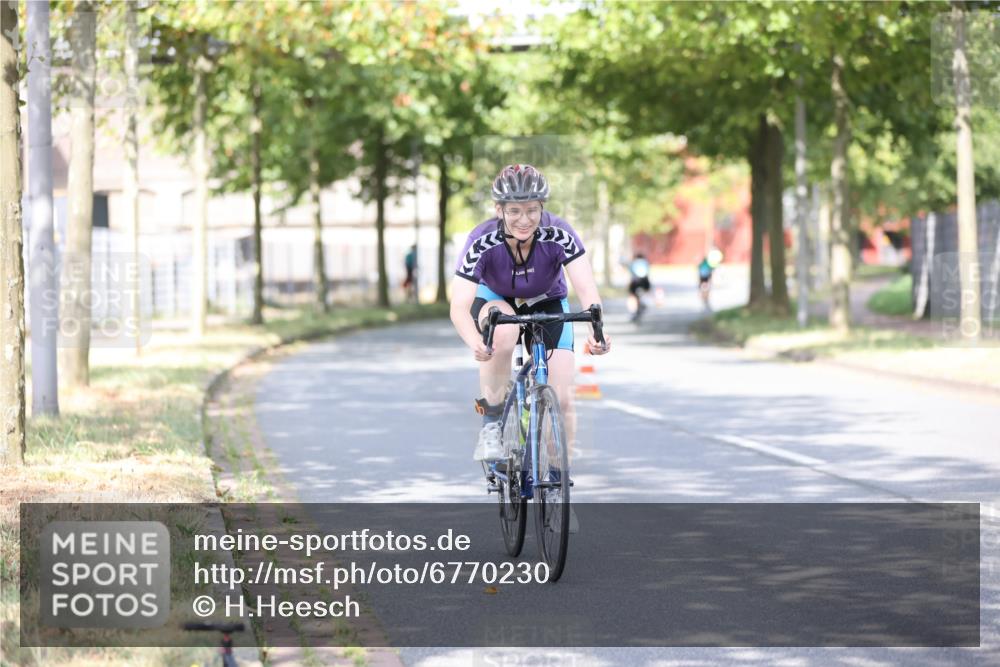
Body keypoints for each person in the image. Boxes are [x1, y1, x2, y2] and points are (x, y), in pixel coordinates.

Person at [449, 164, 611, 471]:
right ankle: (492, 424)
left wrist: (597, 332)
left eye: (532, 210)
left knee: (562, 400)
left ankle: (556, 485)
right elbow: (459, 307)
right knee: (502, 331)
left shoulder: (559, 233)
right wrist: (475, 343)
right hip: (496, 298)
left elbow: (587, 290)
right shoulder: (481, 240)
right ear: (499, 209)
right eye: (514, 211)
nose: (524, 220)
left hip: (546, 299)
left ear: (542, 208)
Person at [627, 253, 651, 322]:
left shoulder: (633, 263)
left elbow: (631, 274)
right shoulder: (645, 262)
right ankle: (645, 302)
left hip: (635, 281)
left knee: (632, 296)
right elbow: (647, 273)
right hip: (644, 281)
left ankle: (632, 311)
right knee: (646, 292)